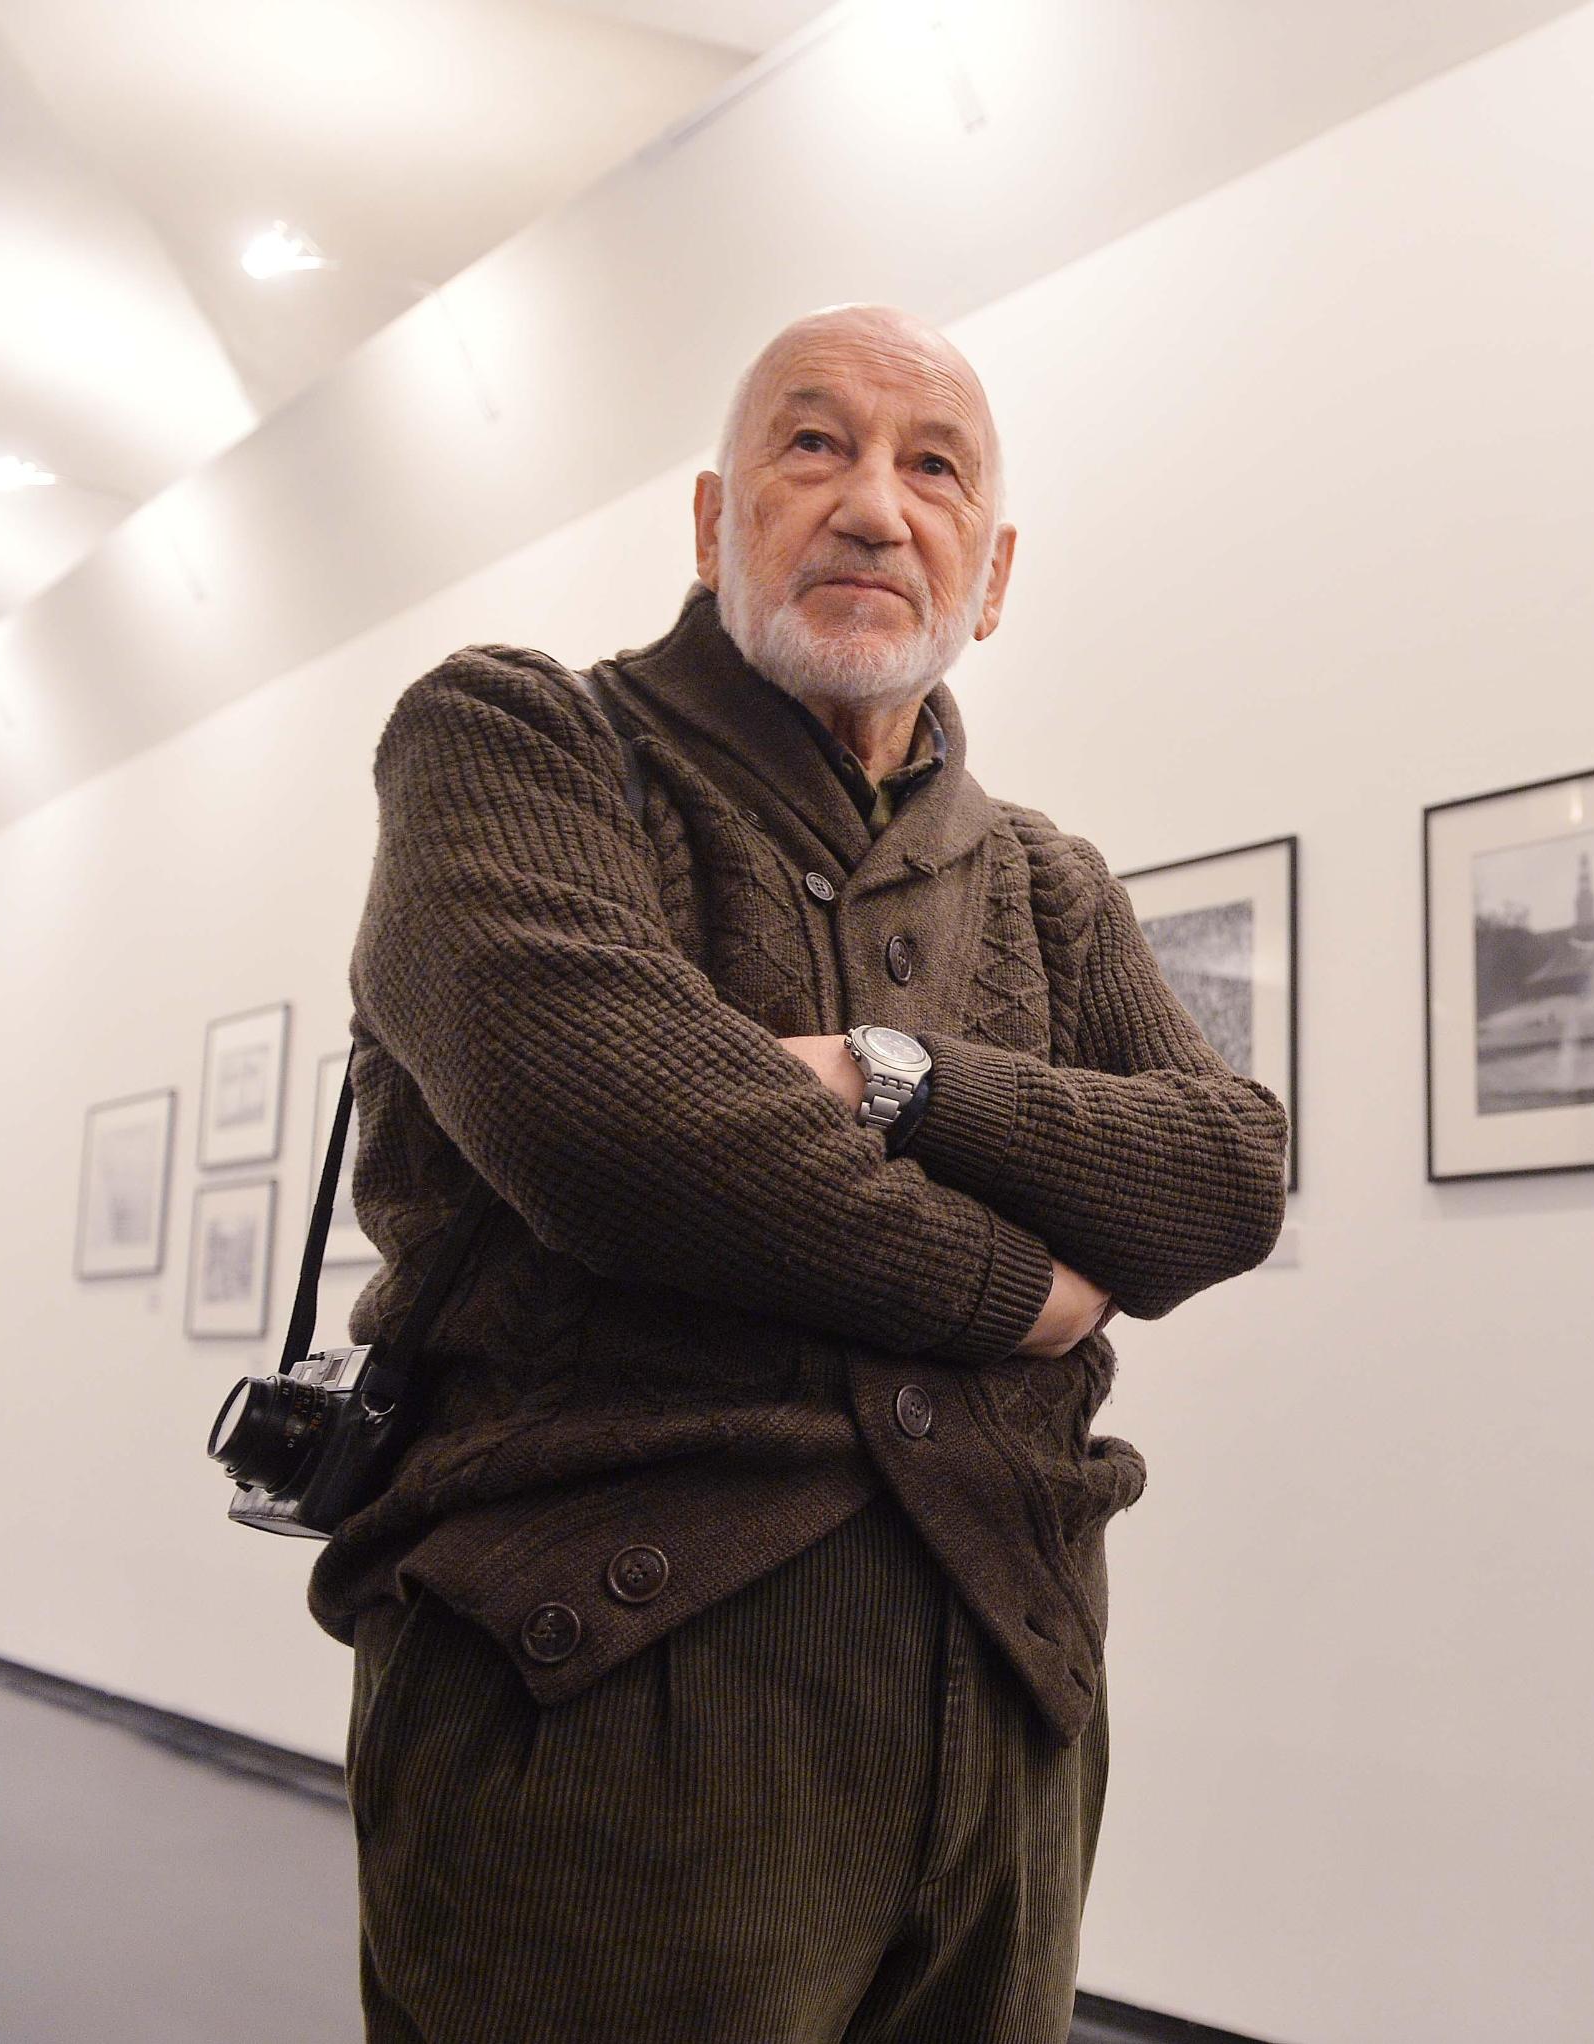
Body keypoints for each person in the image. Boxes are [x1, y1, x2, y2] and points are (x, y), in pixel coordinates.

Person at [316, 304, 1289, 2042]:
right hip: (603, 1692)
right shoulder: (520, 744)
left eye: (935, 470)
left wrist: (891, 1081)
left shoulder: (1051, 883)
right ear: (711, 523)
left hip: (1011, 1705)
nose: (871, 507)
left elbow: (1223, 1178)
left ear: (991, 575)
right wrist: (1027, 1288)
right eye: (814, 445)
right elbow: (618, 1130)